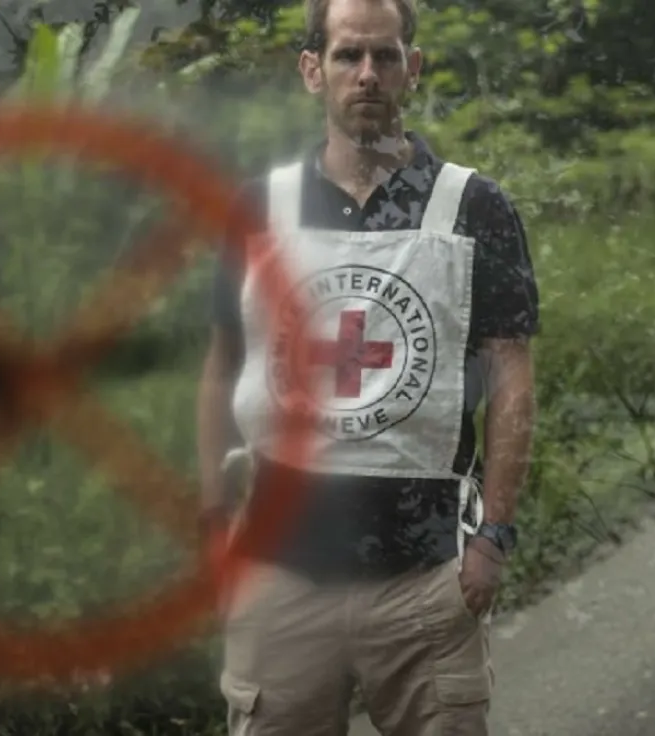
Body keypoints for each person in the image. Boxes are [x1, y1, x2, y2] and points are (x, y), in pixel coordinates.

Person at [194, 0, 539, 732]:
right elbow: (223, 364)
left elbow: (510, 372)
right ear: (312, 70)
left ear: (414, 69)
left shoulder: (475, 207)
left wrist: (494, 540)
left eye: (386, 56)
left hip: (425, 580)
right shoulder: (260, 208)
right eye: (349, 55)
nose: (369, 74)